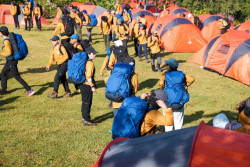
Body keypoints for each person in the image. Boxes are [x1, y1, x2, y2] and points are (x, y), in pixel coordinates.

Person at [159, 58, 195, 131]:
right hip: (179, 102)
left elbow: (161, 83)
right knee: (178, 123)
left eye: (166, 65)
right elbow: (192, 79)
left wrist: (163, 89)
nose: (165, 66)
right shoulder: (182, 74)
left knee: (168, 123)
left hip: (167, 102)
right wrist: (185, 85)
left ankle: (168, 138)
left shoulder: (164, 74)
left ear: (169, 67)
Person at [0, 26, 35, 96]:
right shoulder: (10, 37)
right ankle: (4, 89)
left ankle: (29, 90)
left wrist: (0, 53)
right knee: (3, 73)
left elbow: (8, 53)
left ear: (1, 33)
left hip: (12, 61)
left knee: (17, 76)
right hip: (11, 60)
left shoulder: (6, 41)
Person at [77, 47, 98, 126]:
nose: (95, 55)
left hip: (82, 84)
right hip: (87, 85)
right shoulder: (90, 63)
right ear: (89, 54)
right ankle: (86, 120)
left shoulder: (84, 61)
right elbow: (89, 76)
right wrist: (92, 86)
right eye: (94, 53)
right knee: (87, 102)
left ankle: (84, 118)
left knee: (84, 102)